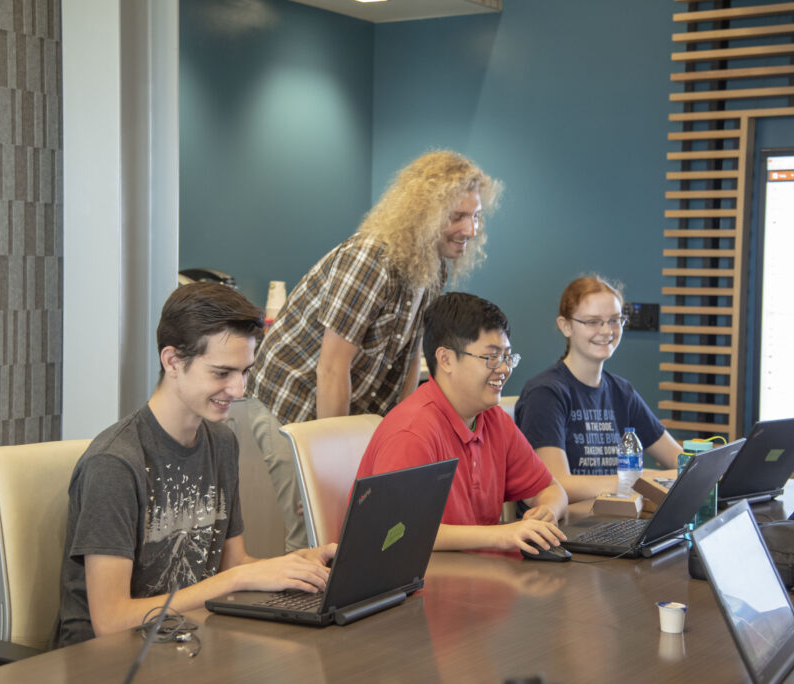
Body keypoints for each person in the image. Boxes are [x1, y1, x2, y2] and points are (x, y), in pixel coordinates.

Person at [52, 283, 336, 648]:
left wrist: (299, 563)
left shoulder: (221, 442)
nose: (238, 389)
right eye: (221, 373)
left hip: (187, 643)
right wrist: (236, 581)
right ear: (172, 361)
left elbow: (233, 564)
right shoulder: (115, 463)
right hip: (110, 663)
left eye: (245, 371)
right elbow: (110, 620)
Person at [245, 150, 503, 551]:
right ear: (425, 213)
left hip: (346, 406)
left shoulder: (432, 269)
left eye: (476, 216)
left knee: (363, 528)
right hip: (292, 402)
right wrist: (328, 460)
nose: (470, 229)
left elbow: (406, 366)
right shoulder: (372, 258)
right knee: (316, 534)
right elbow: (332, 368)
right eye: (457, 216)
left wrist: (396, 436)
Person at [355, 292, 568, 553]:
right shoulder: (411, 432)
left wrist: (546, 511)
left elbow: (550, 488)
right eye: (491, 357)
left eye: (507, 357)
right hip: (423, 583)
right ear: (445, 359)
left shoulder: (494, 420)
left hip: (481, 576)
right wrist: (501, 535)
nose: (503, 369)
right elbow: (398, 533)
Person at [514, 276, 681, 504]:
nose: (606, 331)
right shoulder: (545, 393)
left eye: (614, 320)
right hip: (567, 528)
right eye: (592, 322)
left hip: (613, 518)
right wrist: (640, 479)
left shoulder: (622, 392)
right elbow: (557, 483)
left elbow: (677, 459)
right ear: (565, 326)